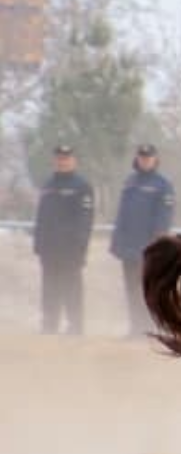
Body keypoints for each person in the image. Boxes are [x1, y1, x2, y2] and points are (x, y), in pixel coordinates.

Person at [110, 143, 176, 336]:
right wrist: (117, 241)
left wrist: (156, 246)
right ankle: (135, 328)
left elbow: (164, 219)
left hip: (148, 248)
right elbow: (122, 215)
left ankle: (151, 329)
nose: (145, 160)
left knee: (148, 290)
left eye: (148, 157)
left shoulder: (163, 185)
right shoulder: (130, 182)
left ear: (155, 159)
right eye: (142, 157)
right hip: (129, 248)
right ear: (137, 158)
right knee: (131, 289)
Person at [33, 144, 94, 335]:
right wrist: (38, 242)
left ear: (73, 161)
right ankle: (49, 324)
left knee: (72, 288)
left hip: (71, 249)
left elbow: (85, 220)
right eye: (59, 158)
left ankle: (75, 326)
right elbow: (41, 216)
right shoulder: (48, 184)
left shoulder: (82, 186)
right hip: (49, 248)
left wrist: (81, 246)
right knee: (49, 288)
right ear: (55, 160)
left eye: (66, 158)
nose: (62, 161)